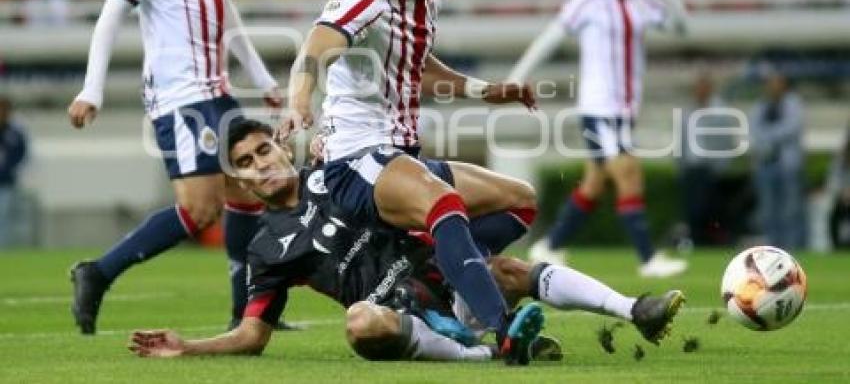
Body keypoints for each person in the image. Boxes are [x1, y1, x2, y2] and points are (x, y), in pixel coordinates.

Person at [129, 120, 685, 361]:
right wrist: (190, 346)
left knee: (505, 268)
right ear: (239, 180)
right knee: (360, 323)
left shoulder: (338, 173)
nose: (261, 165)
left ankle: (635, 309)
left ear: (280, 146)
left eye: (264, 151)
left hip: (440, 281)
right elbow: (252, 334)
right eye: (246, 163)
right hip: (398, 316)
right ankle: (487, 356)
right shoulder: (265, 248)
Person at [280, 0, 544, 364]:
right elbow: (315, 49)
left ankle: (430, 284)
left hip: (401, 157)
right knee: (445, 204)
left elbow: (417, 68)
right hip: (357, 161)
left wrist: (489, 91)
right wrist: (299, 101)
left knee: (520, 200)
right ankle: (502, 332)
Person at [67, 0, 281, 335]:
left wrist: (262, 76)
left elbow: (224, 9)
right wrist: (91, 89)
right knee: (201, 209)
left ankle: (243, 315)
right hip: (179, 93)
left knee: (248, 191)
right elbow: (111, 14)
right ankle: (98, 272)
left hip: (215, 87)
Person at [509, 0, 689, 278]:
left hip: (625, 108)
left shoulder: (641, 0)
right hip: (598, 106)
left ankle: (550, 245)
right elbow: (551, 37)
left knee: (594, 183)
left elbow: (683, 26)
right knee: (628, 171)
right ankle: (648, 259)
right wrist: (517, 78)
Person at [677, 72, 737, 246]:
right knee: (691, 210)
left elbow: (726, 141)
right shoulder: (687, 111)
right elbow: (681, 139)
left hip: (709, 167)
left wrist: (721, 166)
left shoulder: (720, 111)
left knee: (708, 209)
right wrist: (680, 165)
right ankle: (694, 241)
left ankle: (712, 242)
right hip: (690, 167)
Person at [749, 71, 805, 249]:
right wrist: (769, 135)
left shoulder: (793, 103)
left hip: (787, 165)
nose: (773, 87)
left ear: (784, 85)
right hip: (766, 164)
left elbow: (792, 128)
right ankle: (773, 248)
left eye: (777, 83)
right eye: (770, 83)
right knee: (768, 210)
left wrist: (768, 134)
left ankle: (793, 248)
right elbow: (753, 131)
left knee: (791, 209)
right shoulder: (761, 106)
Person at [0, 96, 28, 247]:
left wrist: (8, 169)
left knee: (3, 217)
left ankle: (3, 251)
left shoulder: (14, 133)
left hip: (5, 183)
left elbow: (22, 154)